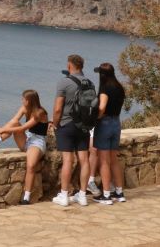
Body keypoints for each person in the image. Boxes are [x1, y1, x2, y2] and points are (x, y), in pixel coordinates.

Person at [0, 89, 49, 205]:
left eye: (23, 99)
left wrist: (2, 129)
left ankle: (26, 197)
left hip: (37, 142)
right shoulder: (24, 109)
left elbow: (23, 128)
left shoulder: (40, 113)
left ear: (29, 101)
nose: (22, 101)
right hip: (27, 139)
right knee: (14, 123)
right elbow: (14, 121)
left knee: (31, 165)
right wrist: (0, 132)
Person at [51, 54, 92, 207]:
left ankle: (64, 195)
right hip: (83, 126)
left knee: (68, 159)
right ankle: (82, 195)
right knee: (84, 160)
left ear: (69, 65)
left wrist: (55, 124)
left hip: (67, 124)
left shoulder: (64, 82)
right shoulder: (89, 83)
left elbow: (57, 109)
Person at [92, 62, 127, 204]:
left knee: (104, 161)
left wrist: (95, 118)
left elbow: (102, 107)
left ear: (102, 75)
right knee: (114, 161)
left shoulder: (105, 88)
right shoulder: (120, 88)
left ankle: (106, 195)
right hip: (116, 123)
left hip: (105, 124)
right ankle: (119, 192)